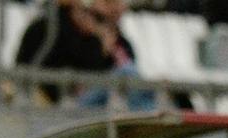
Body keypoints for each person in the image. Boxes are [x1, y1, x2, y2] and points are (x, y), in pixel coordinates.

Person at [16, 0, 155, 110]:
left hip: (107, 106)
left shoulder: (121, 41)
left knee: (133, 80)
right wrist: (101, 48)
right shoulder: (49, 30)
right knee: (127, 73)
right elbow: (86, 74)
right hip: (66, 105)